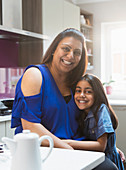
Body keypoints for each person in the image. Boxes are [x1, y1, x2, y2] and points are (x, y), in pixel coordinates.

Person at [11, 28, 123, 169]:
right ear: (54, 49)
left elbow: (89, 119)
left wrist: (110, 146)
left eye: (77, 53)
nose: (71, 56)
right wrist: (68, 150)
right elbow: (31, 126)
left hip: (76, 147)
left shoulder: (76, 82)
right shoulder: (35, 75)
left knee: (110, 168)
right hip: (43, 150)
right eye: (66, 49)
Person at [63, 73, 124, 170]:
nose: (81, 95)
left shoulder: (101, 110)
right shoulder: (81, 111)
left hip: (107, 159)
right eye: (78, 91)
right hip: (93, 156)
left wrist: (68, 143)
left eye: (88, 92)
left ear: (97, 94)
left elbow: (101, 146)